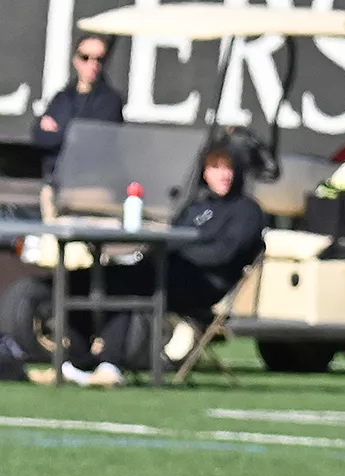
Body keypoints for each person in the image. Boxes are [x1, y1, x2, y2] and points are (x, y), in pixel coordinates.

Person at [67, 141, 265, 386]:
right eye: (215, 167)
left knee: (126, 284)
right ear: (205, 173)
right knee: (80, 279)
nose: (224, 175)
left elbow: (224, 254)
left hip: (203, 285)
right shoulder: (196, 207)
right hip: (167, 271)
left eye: (228, 168)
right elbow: (170, 240)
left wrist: (176, 253)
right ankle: (76, 364)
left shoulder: (247, 211)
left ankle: (110, 366)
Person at [31, 33, 125, 180]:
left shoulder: (111, 101)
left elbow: (96, 144)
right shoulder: (62, 97)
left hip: (93, 180)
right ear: (76, 60)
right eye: (85, 57)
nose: (93, 64)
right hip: (56, 179)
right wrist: (73, 133)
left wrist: (61, 131)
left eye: (99, 59)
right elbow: (40, 137)